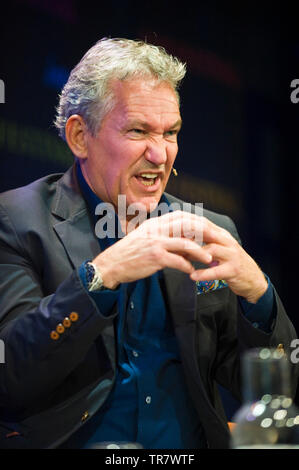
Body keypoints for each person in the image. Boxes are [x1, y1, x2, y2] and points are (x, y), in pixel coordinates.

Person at [0, 37, 297, 450]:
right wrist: (101, 277)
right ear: (79, 136)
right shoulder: (17, 220)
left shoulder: (210, 230)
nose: (160, 155)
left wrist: (260, 296)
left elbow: (274, 395)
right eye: (138, 131)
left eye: (170, 132)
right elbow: (11, 374)